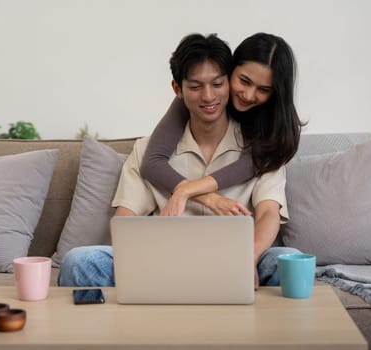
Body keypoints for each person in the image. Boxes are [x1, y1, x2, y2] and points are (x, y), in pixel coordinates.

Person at [58, 33, 301, 289]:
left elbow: (268, 214)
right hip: (161, 265)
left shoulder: (267, 148)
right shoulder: (148, 150)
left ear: (226, 82)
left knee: (289, 262)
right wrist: (153, 254)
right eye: (195, 87)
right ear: (178, 89)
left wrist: (247, 258)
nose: (208, 97)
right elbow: (124, 221)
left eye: (216, 84)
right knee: (78, 262)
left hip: (234, 263)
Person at [140, 32, 304, 216]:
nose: (249, 95)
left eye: (263, 89)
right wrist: (207, 198)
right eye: (244, 81)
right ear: (230, 70)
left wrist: (186, 191)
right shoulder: (200, 98)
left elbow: (248, 165)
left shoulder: (273, 124)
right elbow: (152, 163)